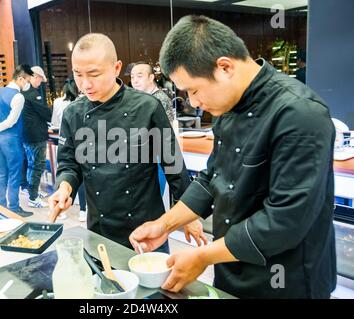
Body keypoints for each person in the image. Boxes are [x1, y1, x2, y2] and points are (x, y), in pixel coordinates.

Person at [129, 15, 336, 299]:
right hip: (231, 267)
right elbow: (212, 179)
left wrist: (203, 257)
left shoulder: (300, 113)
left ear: (224, 67)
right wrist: (164, 224)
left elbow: (286, 220)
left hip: (287, 280)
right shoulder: (228, 110)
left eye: (194, 89)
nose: (193, 102)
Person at [48, 33, 206, 250]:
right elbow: (69, 164)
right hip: (99, 228)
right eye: (78, 75)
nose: (85, 84)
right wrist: (64, 188)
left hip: (147, 227)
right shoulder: (73, 113)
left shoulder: (147, 107)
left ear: (116, 68)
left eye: (94, 74)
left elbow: (173, 165)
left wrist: (187, 215)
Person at [0, 64, 34, 217]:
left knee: (2, 173)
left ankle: (1, 206)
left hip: (0, 140)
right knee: (14, 174)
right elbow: (11, 121)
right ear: (21, 78)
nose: (27, 84)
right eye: (27, 80)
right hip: (12, 139)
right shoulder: (18, 96)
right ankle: (14, 208)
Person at [51, 79, 87, 222]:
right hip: (82, 141)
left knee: (65, 172)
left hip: (63, 140)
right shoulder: (82, 102)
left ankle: (63, 209)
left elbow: (54, 121)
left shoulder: (58, 102)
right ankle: (83, 210)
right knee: (80, 175)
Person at [21, 66, 52, 208]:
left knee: (31, 165)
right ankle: (33, 198)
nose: (40, 83)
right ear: (35, 77)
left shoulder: (23, 92)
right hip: (36, 137)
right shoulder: (33, 94)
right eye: (40, 79)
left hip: (27, 136)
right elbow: (46, 113)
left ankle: (32, 192)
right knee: (37, 166)